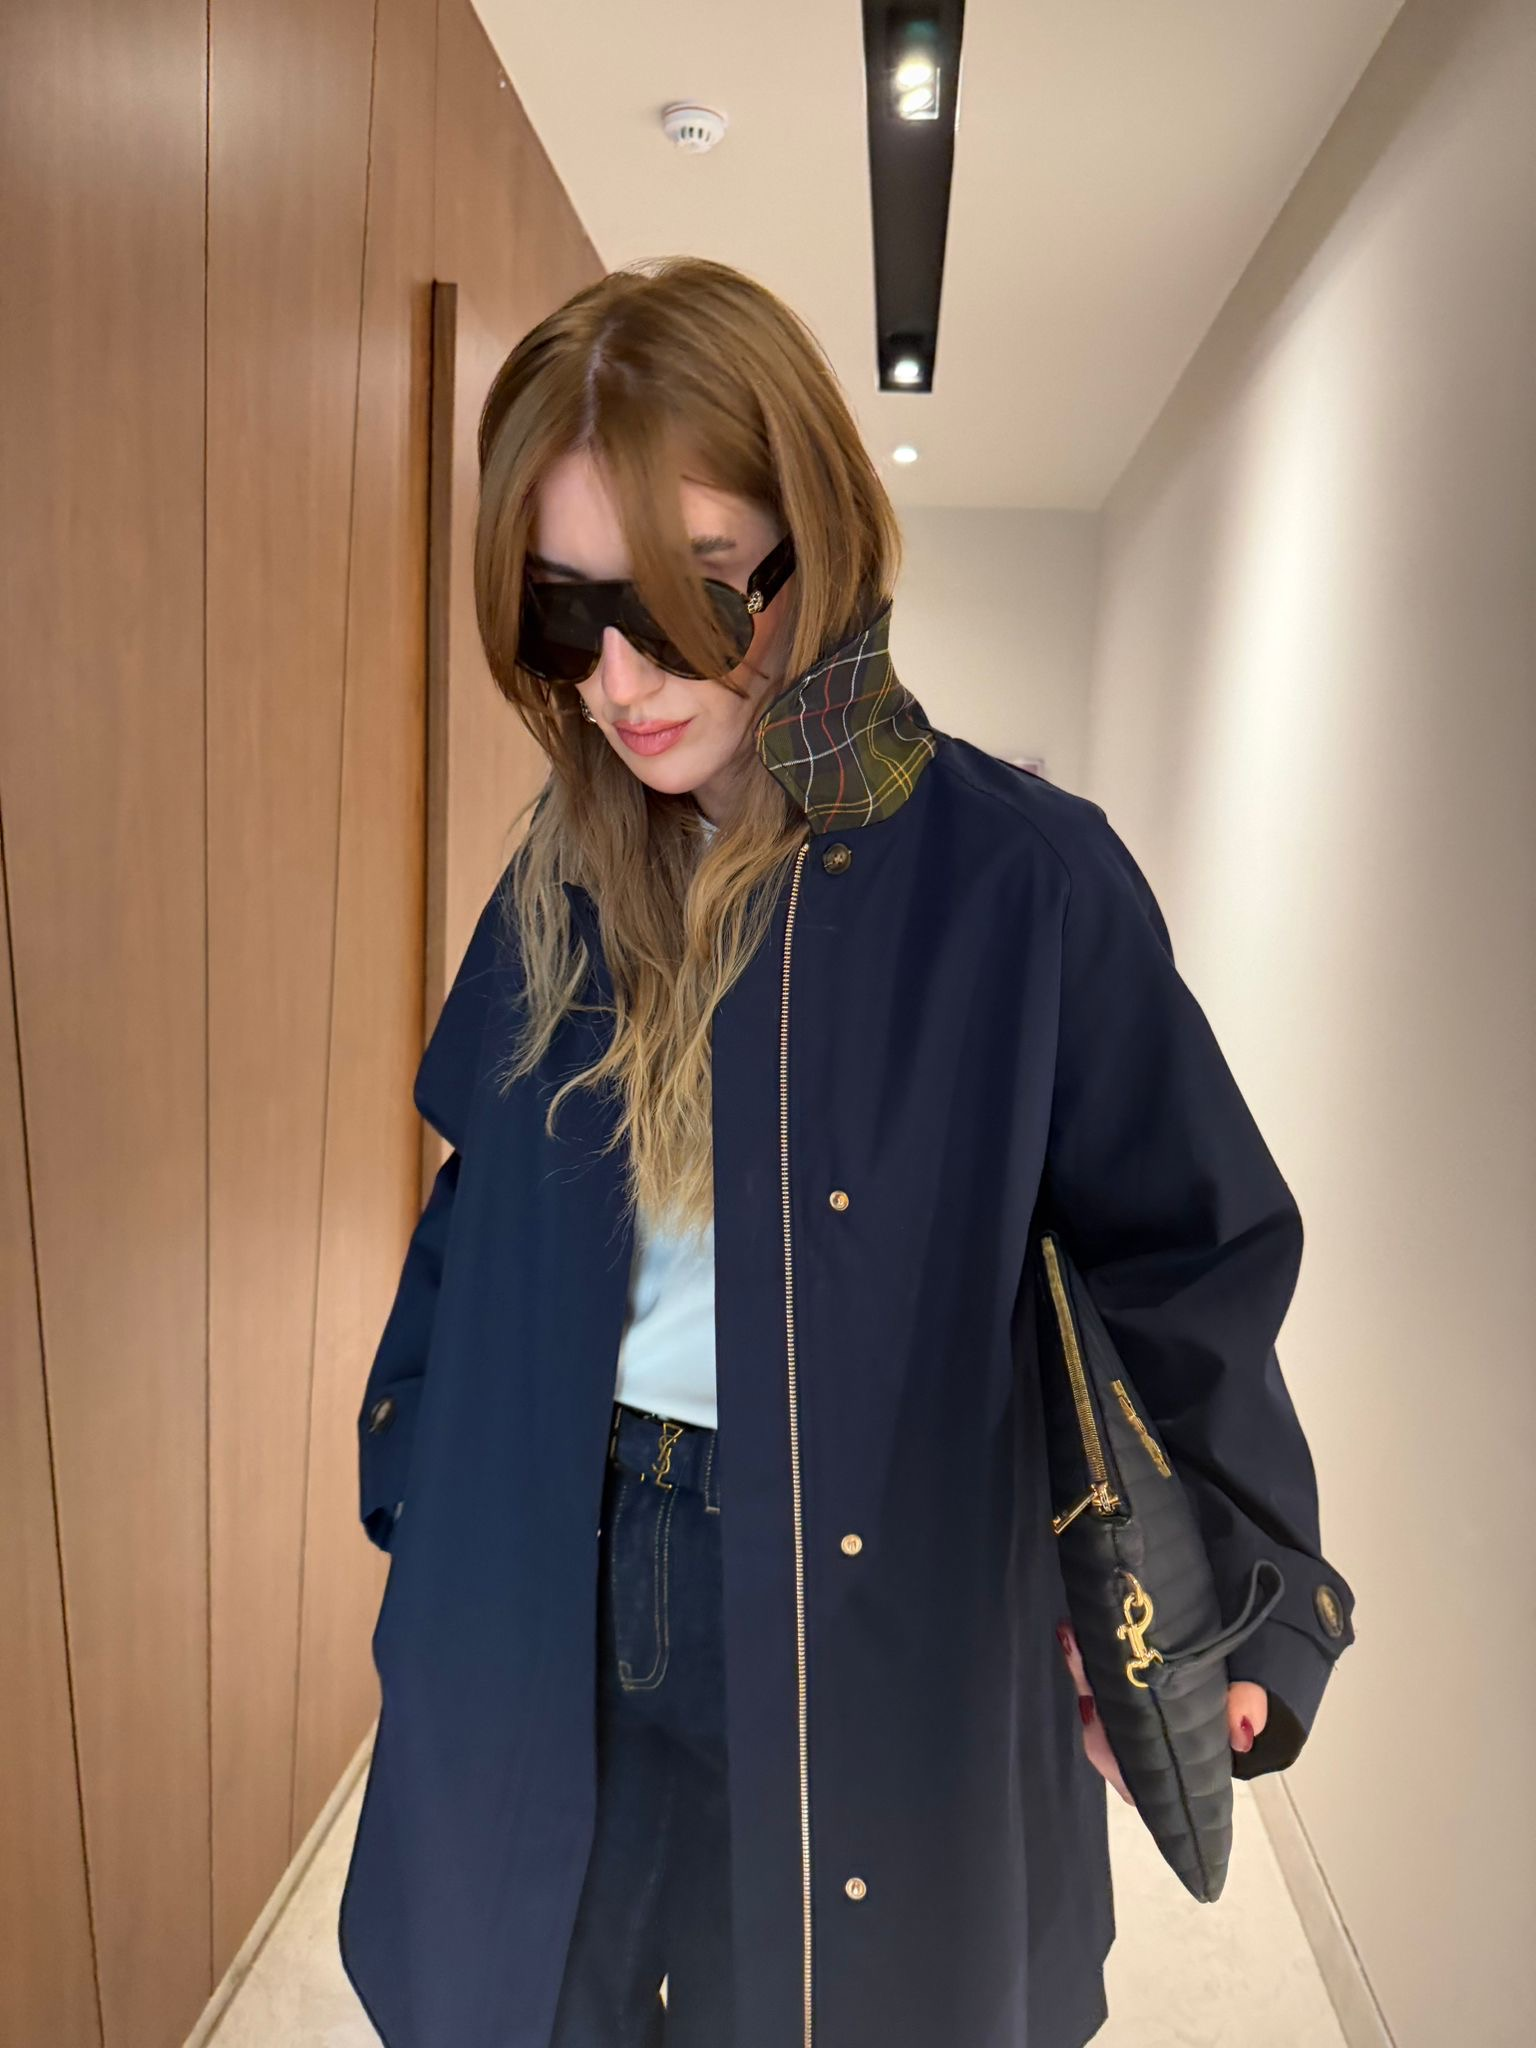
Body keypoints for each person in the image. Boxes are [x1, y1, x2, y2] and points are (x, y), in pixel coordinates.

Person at [337, 256, 1355, 2048]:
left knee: (834, 1996)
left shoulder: (1019, 883)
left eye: (685, 599)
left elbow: (1186, 1252)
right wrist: (419, 1464)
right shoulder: (560, 880)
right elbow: (474, 1202)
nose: (621, 680)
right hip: (550, 1551)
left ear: (815, 536)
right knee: (520, 1985)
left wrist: (1248, 1593)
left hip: (863, 1579)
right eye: (566, 619)